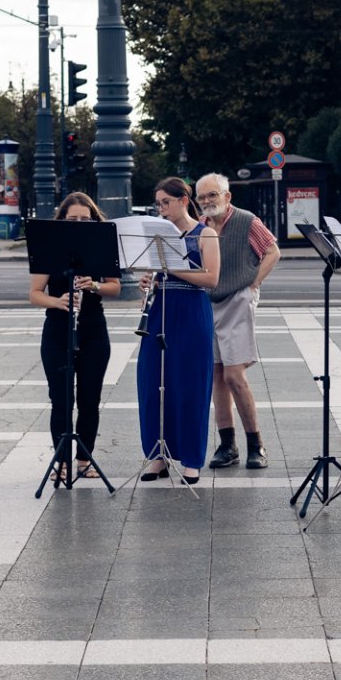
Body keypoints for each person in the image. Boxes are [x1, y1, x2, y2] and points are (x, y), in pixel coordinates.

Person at [28, 192, 121, 482]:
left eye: (85, 218)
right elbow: (34, 294)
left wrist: (93, 285)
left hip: (93, 329)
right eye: (73, 219)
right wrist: (59, 302)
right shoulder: (49, 249)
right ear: (63, 221)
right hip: (57, 330)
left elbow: (115, 287)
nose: (79, 223)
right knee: (61, 399)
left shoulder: (101, 247)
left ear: (93, 219)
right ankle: (62, 461)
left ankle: (84, 459)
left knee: (90, 399)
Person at [135, 177, 220, 485]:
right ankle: (157, 456)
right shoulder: (156, 236)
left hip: (192, 313)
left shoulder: (205, 233)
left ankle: (192, 459)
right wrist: (148, 283)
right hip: (161, 311)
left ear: (184, 200)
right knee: (152, 382)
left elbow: (211, 279)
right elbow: (151, 276)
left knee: (190, 387)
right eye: (158, 204)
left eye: (166, 203)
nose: (162, 209)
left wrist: (171, 268)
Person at [195, 173, 279, 471]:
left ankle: (256, 444)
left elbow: (272, 251)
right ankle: (227, 445)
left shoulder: (246, 220)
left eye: (212, 195)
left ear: (226, 196)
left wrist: (253, 284)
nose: (207, 202)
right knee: (216, 374)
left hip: (237, 301)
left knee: (233, 375)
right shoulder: (201, 227)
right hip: (210, 301)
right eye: (202, 197)